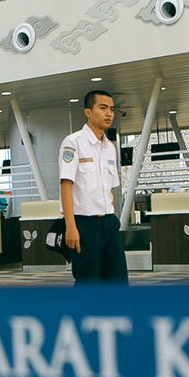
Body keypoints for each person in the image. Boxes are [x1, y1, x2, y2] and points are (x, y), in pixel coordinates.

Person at [58, 89, 128, 285]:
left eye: (112, 109)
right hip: (84, 225)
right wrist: (70, 227)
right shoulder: (73, 142)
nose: (109, 114)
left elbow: (111, 189)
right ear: (88, 112)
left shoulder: (110, 147)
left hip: (108, 223)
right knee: (89, 282)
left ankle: (114, 316)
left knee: (118, 281)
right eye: (103, 108)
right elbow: (66, 185)